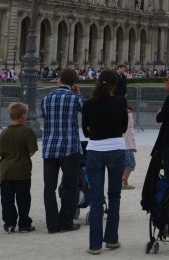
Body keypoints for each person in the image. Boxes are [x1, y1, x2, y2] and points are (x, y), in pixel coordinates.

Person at [82, 69, 129, 254]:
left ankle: (94, 245)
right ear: (115, 85)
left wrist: (95, 130)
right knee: (114, 196)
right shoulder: (120, 102)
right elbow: (124, 127)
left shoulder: (88, 104)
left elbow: (86, 132)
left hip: (94, 151)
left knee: (95, 198)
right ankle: (111, 239)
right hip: (116, 149)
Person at [40, 67, 84, 234]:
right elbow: (83, 109)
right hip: (70, 147)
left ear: (59, 79)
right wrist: (78, 93)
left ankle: (52, 224)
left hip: (50, 147)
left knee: (49, 187)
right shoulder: (75, 98)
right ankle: (66, 222)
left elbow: (43, 115)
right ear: (74, 83)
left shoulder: (46, 99)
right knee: (70, 186)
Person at [0, 101, 38, 233]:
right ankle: (24, 223)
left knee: (7, 199)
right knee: (23, 198)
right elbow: (31, 151)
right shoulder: (28, 131)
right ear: (23, 116)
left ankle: (9, 223)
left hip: (6, 170)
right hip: (22, 171)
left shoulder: (4, 132)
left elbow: (0, 152)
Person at [121, 104, 137, 189]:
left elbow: (131, 133)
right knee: (130, 164)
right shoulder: (127, 117)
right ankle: (123, 182)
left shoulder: (126, 117)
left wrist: (134, 146)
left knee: (125, 164)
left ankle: (122, 181)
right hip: (126, 145)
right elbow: (129, 129)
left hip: (127, 144)